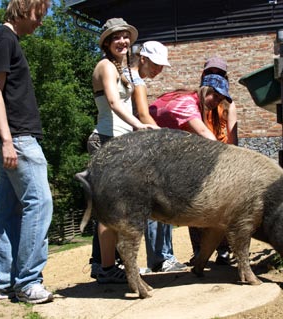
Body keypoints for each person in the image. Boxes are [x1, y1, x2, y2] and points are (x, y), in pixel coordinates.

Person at [0, 0, 53, 304]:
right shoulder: (4, 38)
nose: (40, 22)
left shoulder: (8, 40)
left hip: (15, 138)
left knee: (10, 210)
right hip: (18, 138)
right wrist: (8, 141)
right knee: (39, 203)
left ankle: (5, 284)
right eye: (40, 15)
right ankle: (27, 282)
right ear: (25, 8)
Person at [87, 18, 158, 284]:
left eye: (126, 37)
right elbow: (115, 104)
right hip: (107, 140)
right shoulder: (106, 66)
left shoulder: (121, 68)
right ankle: (106, 268)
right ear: (106, 42)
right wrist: (140, 125)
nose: (122, 41)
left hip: (119, 141)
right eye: (116, 37)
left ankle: (104, 264)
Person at [148, 73, 237, 264]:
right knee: (155, 208)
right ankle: (159, 259)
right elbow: (204, 133)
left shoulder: (187, 99)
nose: (217, 102)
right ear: (206, 90)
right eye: (216, 96)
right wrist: (231, 160)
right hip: (148, 154)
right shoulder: (187, 104)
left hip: (158, 153)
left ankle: (164, 258)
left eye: (221, 99)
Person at [129, 41, 187, 272]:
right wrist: (165, 139)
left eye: (162, 66)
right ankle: (161, 258)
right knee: (158, 201)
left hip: (137, 148)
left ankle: (160, 257)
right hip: (140, 150)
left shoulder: (129, 77)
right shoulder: (135, 80)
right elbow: (142, 115)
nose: (159, 70)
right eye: (155, 64)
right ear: (143, 58)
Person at [189, 56, 238, 265]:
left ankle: (223, 250)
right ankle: (199, 250)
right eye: (210, 73)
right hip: (198, 159)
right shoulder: (194, 101)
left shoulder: (228, 105)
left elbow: (232, 136)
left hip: (221, 159)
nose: (213, 77)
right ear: (203, 75)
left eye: (218, 74)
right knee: (195, 206)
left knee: (222, 207)